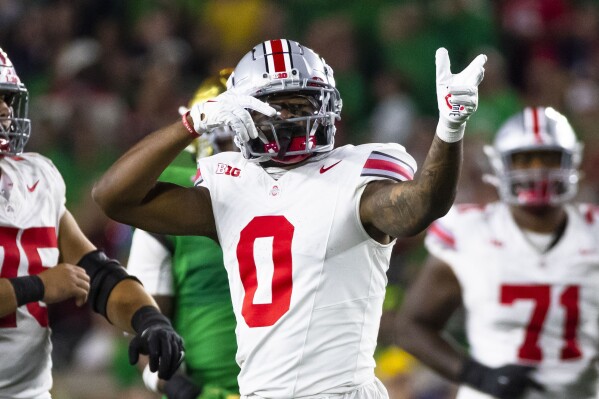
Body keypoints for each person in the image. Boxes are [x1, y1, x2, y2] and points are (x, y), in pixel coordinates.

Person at [93, 39, 486, 398]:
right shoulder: (229, 184)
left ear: (326, 107)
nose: (288, 117)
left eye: (301, 105)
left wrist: (449, 129)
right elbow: (114, 198)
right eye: (272, 106)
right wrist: (191, 123)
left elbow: (421, 204)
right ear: (239, 114)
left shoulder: (352, 174)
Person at [0, 47, 184, 398]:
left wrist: (148, 319)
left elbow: (95, 273)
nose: (5, 110)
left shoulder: (34, 177)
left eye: (6, 98)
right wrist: (37, 286)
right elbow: (53, 281)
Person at [395, 107, 599, 399]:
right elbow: (411, 326)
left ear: (572, 161)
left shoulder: (594, 233)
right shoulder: (470, 232)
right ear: (501, 164)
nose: (538, 170)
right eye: (525, 160)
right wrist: (478, 375)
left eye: (549, 158)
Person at [128, 68, 240, 399]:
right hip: (211, 390)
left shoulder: (299, 187)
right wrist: (176, 386)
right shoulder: (178, 192)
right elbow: (147, 321)